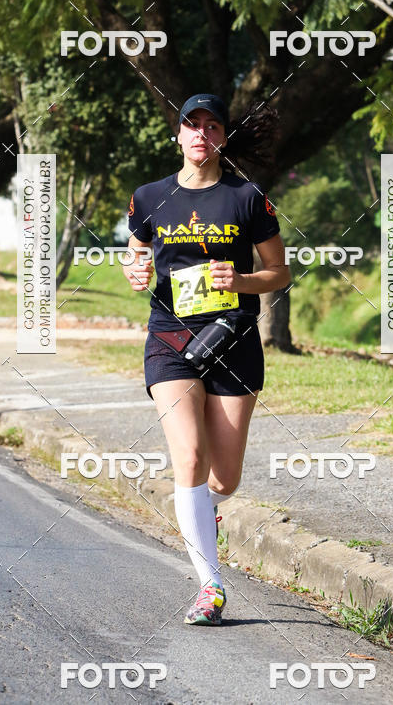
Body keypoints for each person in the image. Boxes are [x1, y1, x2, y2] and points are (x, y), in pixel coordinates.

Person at [124, 93, 291, 625]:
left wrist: (241, 281)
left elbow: (279, 273)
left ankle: (206, 511)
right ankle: (209, 586)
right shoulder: (149, 197)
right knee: (189, 458)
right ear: (177, 135)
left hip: (233, 338)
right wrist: (134, 271)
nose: (201, 133)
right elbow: (137, 253)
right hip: (170, 339)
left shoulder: (247, 198)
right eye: (191, 125)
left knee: (224, 479)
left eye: (211, 125)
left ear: (222, 137)